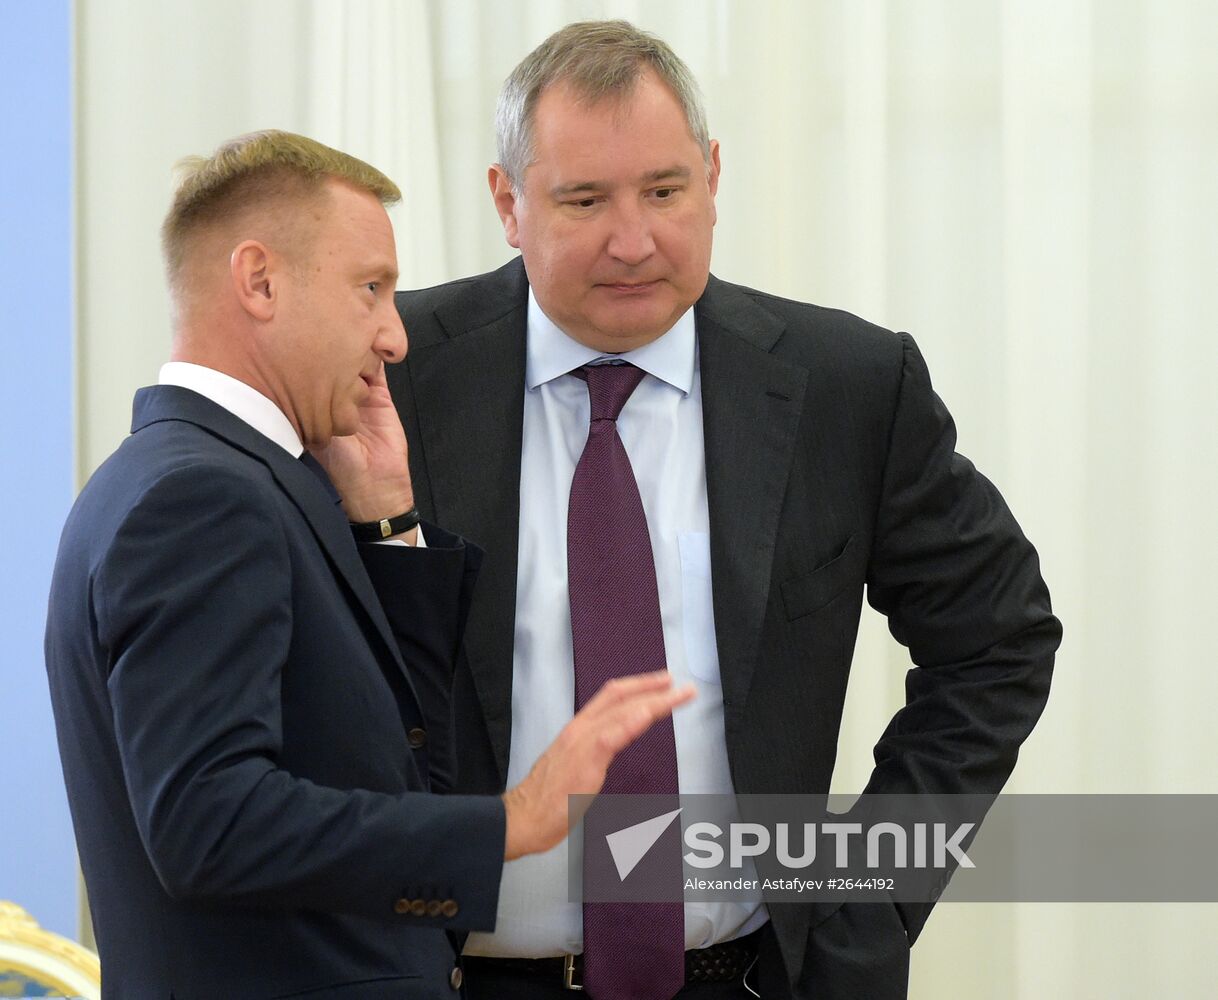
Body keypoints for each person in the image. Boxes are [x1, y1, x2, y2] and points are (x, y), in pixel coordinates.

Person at [389, 20, 1063, 1000]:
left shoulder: (846, 388)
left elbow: (999, 639)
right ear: (508, 202)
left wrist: (865, 901)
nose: (634, 239)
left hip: (742, 978)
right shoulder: (392, 376)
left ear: (712, 176)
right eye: (584, 199)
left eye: (665, 191)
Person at [44, 129, 692, 1000]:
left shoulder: (216, 477)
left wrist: (388, 524)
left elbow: (383, 761)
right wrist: (511, 823)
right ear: (259, 281)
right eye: (371, 289)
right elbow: (208, 825)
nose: (394, 334)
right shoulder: (201, 498)